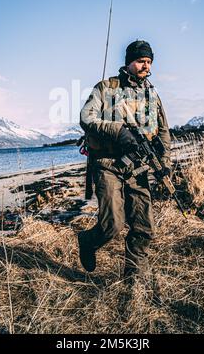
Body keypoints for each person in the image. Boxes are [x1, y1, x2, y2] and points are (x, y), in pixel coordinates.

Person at [79, 39, 171, 282]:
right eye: (141, 61)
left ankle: (134, 282)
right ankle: (87, 241)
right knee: (112, 226)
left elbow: (163, 132)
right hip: (107, 165)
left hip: (138, 168)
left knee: (144, 227)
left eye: (149, 62)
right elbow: (86, 118)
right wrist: (118, 131)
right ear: (129, 62)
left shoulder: (152, 94)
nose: (146, 66)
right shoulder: (106, 88)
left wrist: (165, 164)